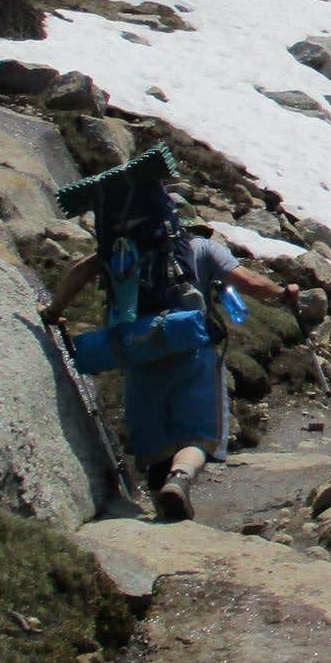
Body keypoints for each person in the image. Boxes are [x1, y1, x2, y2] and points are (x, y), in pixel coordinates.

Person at [42, 203, 301, 521]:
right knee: (199, 435)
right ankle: (179, 479)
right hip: (191, 352)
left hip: (138, 353)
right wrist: (282, 293)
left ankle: (161, 507)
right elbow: (247, 281)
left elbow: (82, 269)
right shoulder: (202, 247)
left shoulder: (122, 248)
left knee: (155, 440)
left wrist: (54, 310)